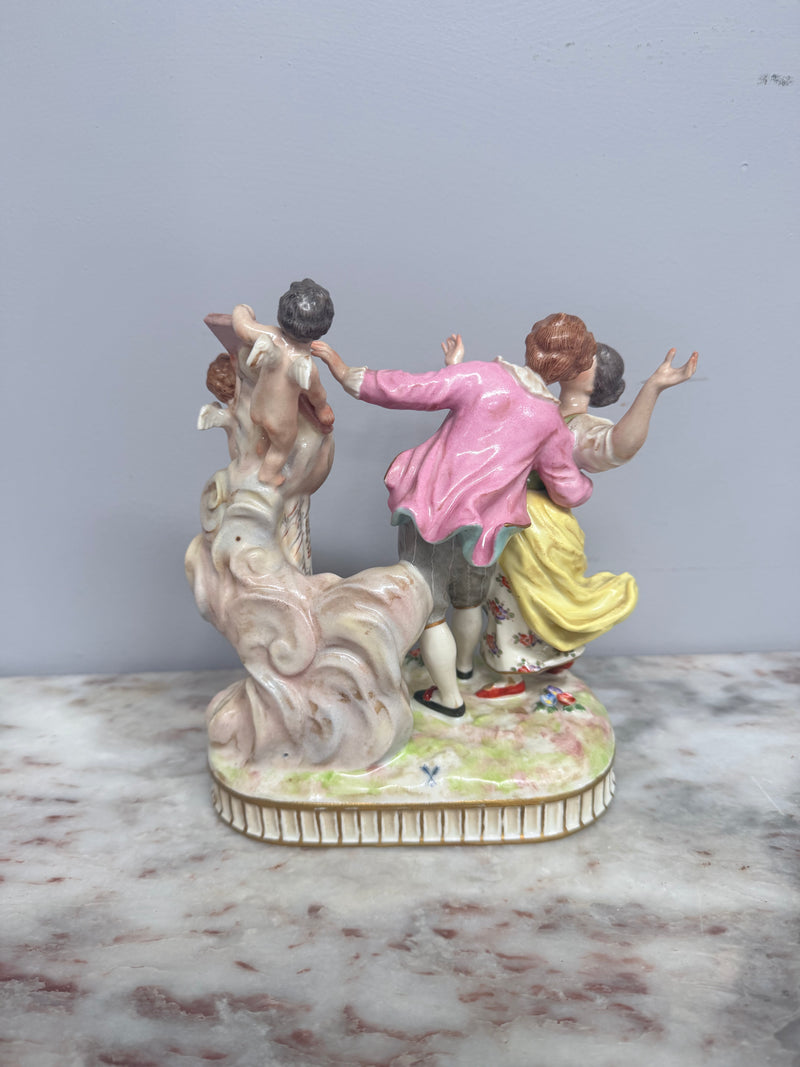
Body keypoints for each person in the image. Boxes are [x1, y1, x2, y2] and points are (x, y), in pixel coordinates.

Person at [311, 313, 596, 717]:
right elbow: (566, 486)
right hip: (487, 527)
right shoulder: (552, 422)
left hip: (434, 509)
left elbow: (409, 389)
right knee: (468, 601)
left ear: (531, 344)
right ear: (570, 370)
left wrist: (345, 373)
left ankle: (449, 698)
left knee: (430, 609)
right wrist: (588, 484)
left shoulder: (483, 376)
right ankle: (464, 669)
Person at [480, 342, 698, 692]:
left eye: (585, 361)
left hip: (537, 524)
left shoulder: (580, 426)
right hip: (510, 513)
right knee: (504, 590)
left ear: (594, 384)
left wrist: (652, 388)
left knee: (520, 595)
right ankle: (553, 657)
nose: (574, 361)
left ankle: (511, 674)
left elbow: (620, 445)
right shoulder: (543, 405)